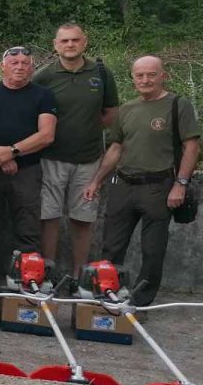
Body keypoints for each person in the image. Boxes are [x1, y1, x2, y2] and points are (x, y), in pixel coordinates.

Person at [84, 56, 199, 306]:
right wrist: (96, 181)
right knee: (112, 246)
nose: (145, 80)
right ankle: (107, 293)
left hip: (159, 187)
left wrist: (181, 183)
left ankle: (140, 302)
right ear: (133, 78)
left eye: (151, 74)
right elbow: (116, 148)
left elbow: (191, 147)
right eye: (140, 75)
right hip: (123, 185)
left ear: (162, 76)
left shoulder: (178, 105)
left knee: (152, 250)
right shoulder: (127, 109)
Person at [33, 23, 119, 280]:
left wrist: (84, 130)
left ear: (85, 42)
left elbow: (111, 113)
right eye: (64, 41)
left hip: (88, 160)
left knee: (83, 219)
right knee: (49, 216)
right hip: (51, 158)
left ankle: (78, 275)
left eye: (75, 40)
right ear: (55, 45)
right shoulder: (44, 76)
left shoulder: (101, 73)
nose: (70, 45)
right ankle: (46, 272)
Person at [0, 46, 58, 282]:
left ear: (32, 68)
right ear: (3, 66)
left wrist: (13, 152)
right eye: (14, 62)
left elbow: (47, 135)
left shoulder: (43, 95)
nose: (20, 67)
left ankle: (26, 281)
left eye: (25, 63)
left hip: (27, 170)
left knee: (28, 228)